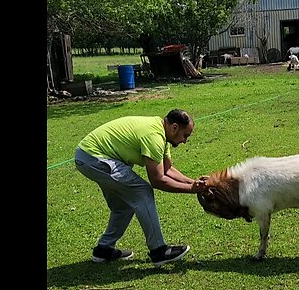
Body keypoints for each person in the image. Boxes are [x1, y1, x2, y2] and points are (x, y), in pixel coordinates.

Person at [73, 109, 207, 267]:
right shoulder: (154, 137)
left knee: (123, 207)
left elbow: (167, 169)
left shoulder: (161, 133)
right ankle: (159, 251)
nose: (185, 141)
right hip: (94, 158)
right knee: (142, 191)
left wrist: (193, 183)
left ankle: (103, 250)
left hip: (88, 157)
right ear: (175, 128)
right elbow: (157, 180)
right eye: (186, 135)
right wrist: (191, 189)